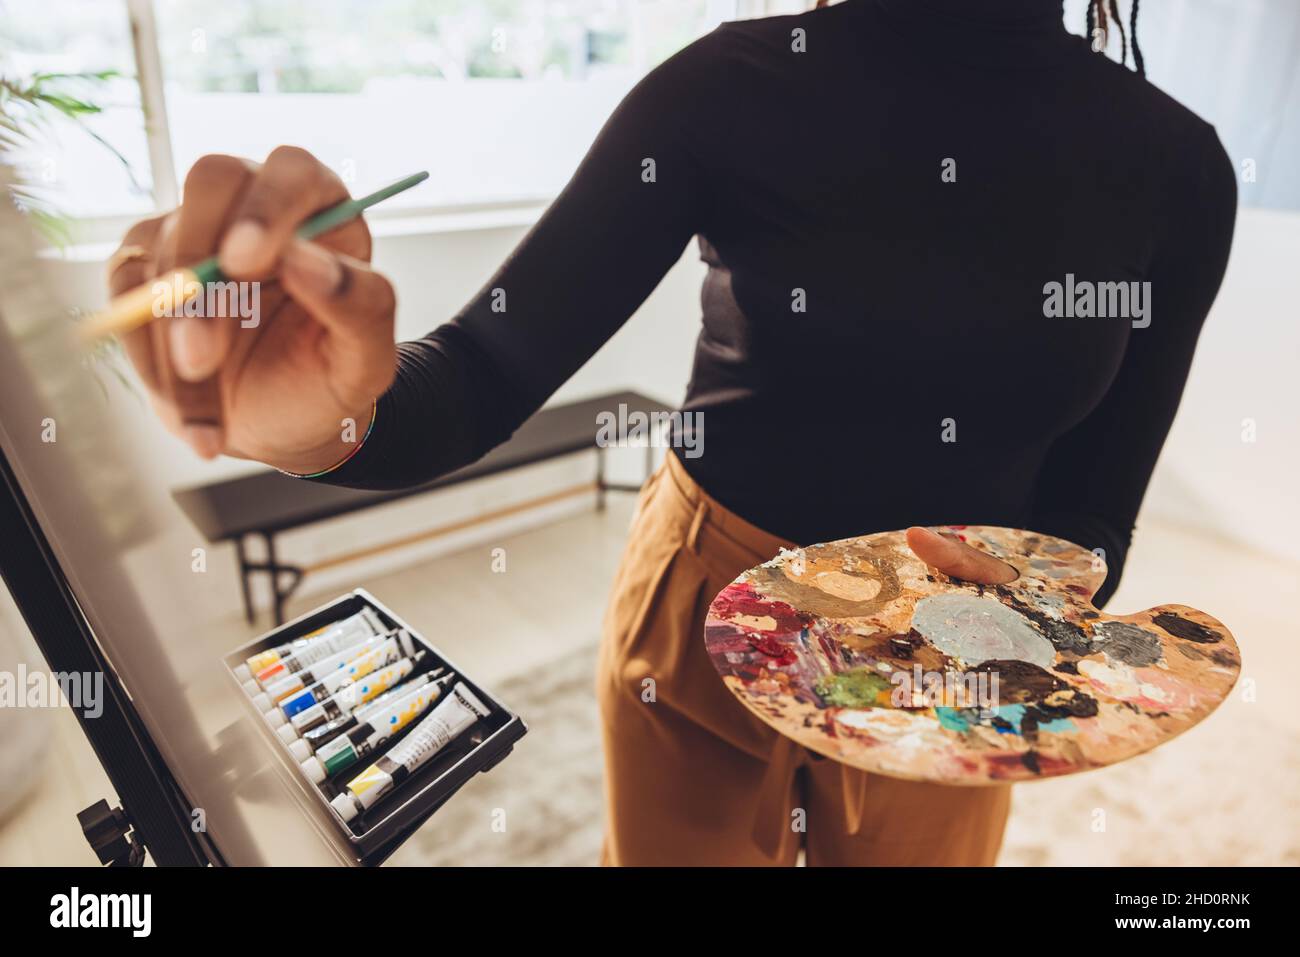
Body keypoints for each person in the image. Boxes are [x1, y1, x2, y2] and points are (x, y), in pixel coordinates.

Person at [108, 0, 1236, 865]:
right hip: (703, 610)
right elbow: (483, 373)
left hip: (965, 655)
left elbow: (1096, 506)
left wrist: (1050, 600)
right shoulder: (727, 89)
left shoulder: (1179, 169)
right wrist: (325, 419)